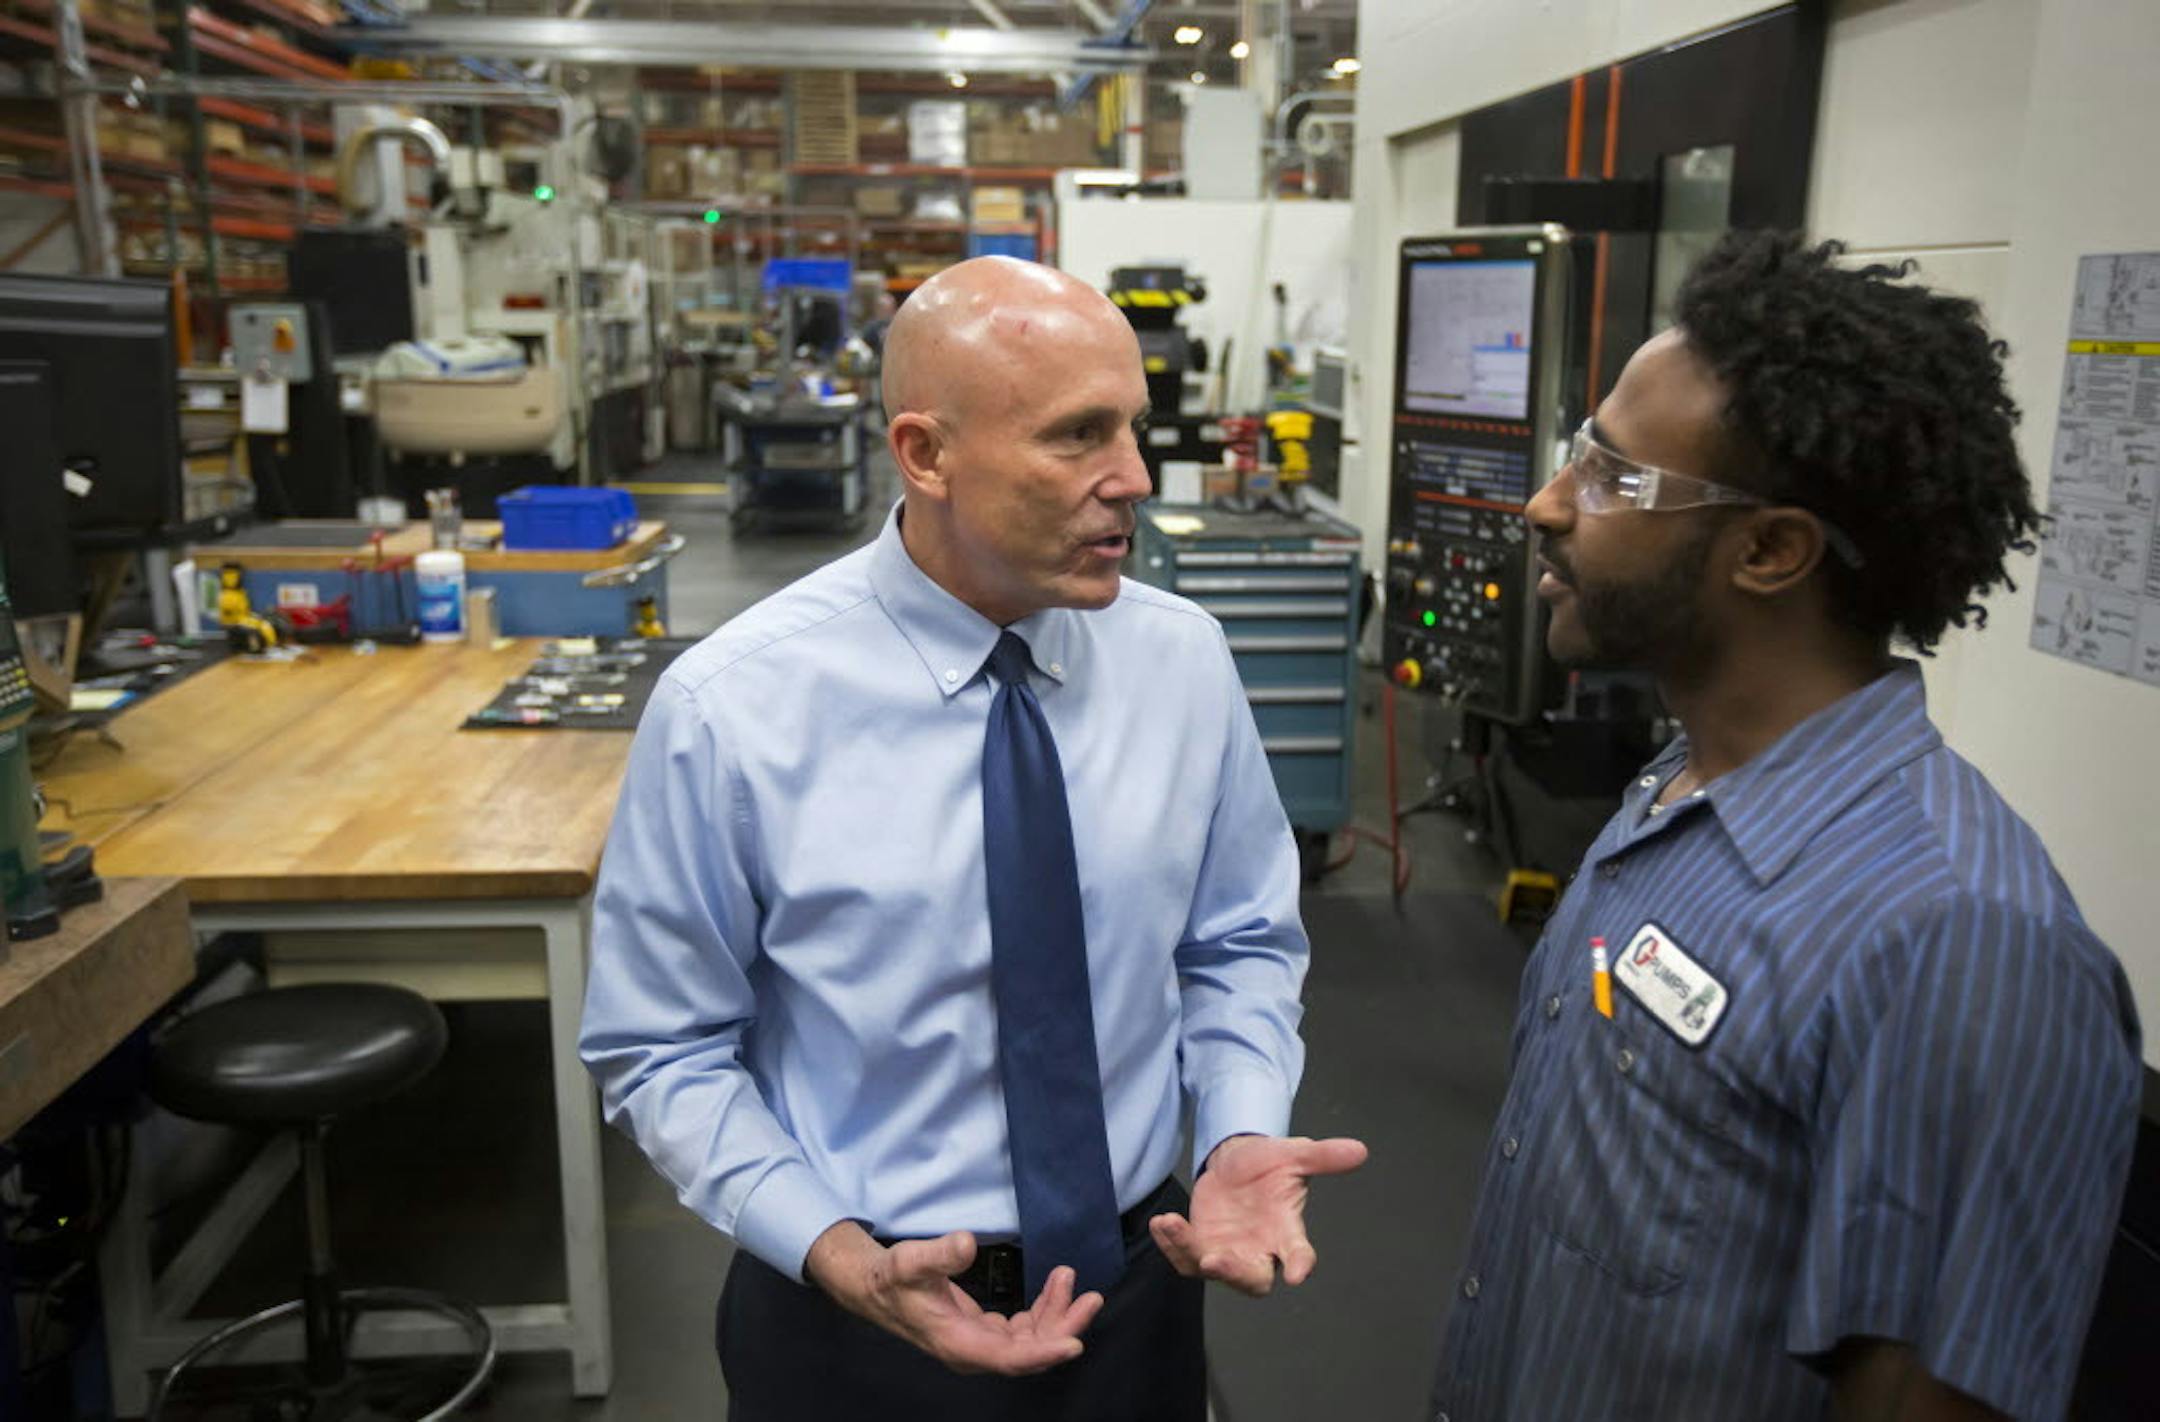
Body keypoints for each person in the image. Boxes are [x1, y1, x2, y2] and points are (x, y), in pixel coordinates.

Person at [581, 255, 1366, 1420]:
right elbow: (663, 1046)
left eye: (1135, 430)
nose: (1135, 479)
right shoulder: (734, 710)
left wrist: (1239, 1128)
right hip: (856, 1318)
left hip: (1136, 1297)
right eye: (1077, 436)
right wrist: (842, 1257)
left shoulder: (1181, 661)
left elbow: (1237, 944)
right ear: (926, 454)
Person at [1431, 232, 2142, 1421]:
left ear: (1769, 551)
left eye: (1613, 477)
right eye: (1578, 454)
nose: (1550, 504)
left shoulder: (1961, 943)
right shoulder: (1676, 792)